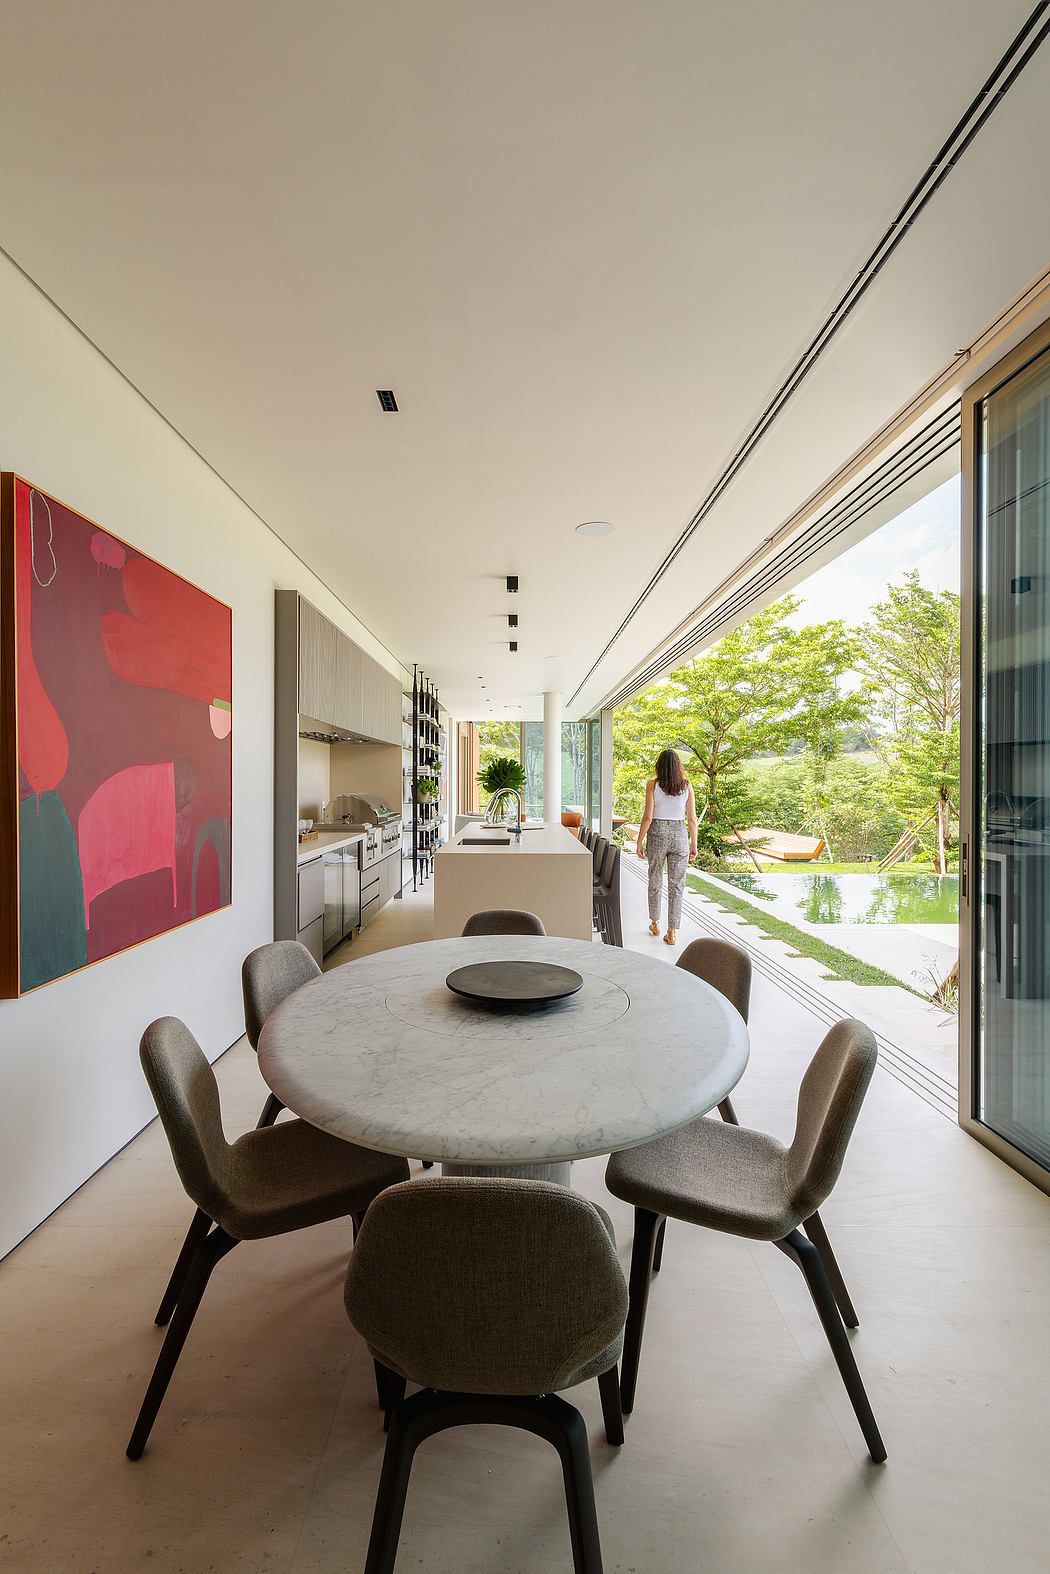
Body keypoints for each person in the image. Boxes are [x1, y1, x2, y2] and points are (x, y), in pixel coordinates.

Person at [635, 749, 697, 946]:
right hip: (680, 835)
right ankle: (672, 932)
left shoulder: (652, 785)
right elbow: (692, 819)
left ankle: (655, 923)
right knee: (677, 885)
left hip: (658, 833)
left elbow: (648, 817)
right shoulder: (687, 786)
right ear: (678, 766)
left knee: (655, 879)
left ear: (659, 766)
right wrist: (693, 844)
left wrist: (639, 840)